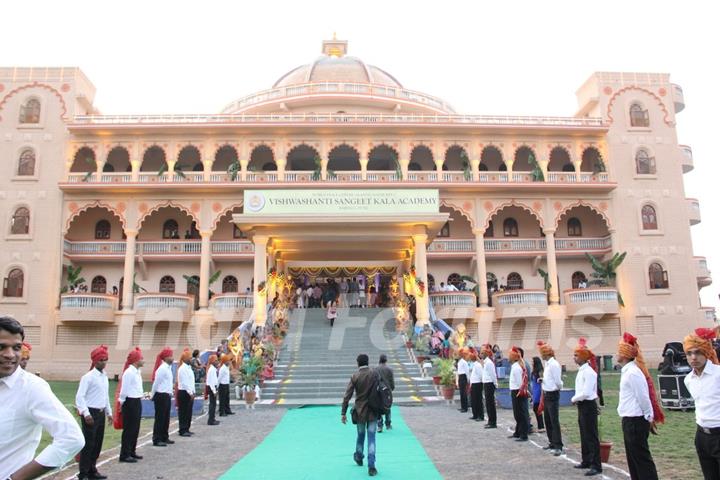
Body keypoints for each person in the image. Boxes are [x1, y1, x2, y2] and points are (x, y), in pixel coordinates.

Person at [0, 316, 84, 480]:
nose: (10, 355)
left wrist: (14, 479)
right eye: (1, 347)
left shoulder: (32, 388)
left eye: (16, 348)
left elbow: (71, 439)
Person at [617, 332, 663, 480]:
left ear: (624, 355)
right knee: (633, 458)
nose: (616, 354)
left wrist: (649, 417)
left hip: (636, 420)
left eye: (619, 352)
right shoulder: (628, 371)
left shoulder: (633, 373)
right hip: (629, 420)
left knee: (641, 459)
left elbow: (643, 397)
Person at [683, 328, 720, 479]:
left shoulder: (718, 374)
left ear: (706, 352)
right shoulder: (688, 379)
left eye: (697, 352)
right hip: (702, 436)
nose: (693, 357)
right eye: (689, 353)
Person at [76, 344, 113, 480]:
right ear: (95, 361)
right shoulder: (88, 377)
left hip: (101, 411)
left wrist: (109, 412)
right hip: (91, 412)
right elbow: (80, 396)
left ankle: (92, 469)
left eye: (105, 360)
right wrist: (86, 413)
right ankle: (83, 473)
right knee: (89, 443)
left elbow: (105, 395)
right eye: (101, 360)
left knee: (98, 442)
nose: (104, 362)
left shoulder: (104, 376)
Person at [341, 353, 379, 477]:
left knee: (361, 435)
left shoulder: (355, 376)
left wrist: (343, 412)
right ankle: (372, 465)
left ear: (358, 363)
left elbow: (347, 395)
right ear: (368, 362)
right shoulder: (374, 374)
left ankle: (358, 456)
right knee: (372, 437)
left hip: (360, 411)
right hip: (373, 410)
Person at [571, 338, 602, 476]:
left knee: (591, 435)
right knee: (584, 433)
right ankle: (586, 459)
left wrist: (574, 398)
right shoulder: (582, 371)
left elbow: (587, 392)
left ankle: (596, 464)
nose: (574, 358)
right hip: (582, 405)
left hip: (588, 405)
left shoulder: (589, 372)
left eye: (576, 355)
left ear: (583, 357)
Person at [115, 347, 144, 463]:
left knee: (135, 428)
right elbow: (124, 389)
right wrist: (121, 402)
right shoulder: (129, 372)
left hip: (137, 400)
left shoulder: (137, 372)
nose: (143, 360)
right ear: (136, 360)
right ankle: (125, 454)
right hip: (129, 401)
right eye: (141, 358)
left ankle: (132, 451)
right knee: (129, 429)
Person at [537, 340, 564, 455]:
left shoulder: (554, 364)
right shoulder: (547, 364)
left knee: (554, 420)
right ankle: (552, 441)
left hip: (552, 394)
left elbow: (558, 381)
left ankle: (558, 445)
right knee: (547, 419)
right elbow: (550, 378)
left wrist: (556, 387)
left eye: (542, 353)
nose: (541, 355)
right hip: (547, 393)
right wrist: (543, 381)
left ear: (547, 353)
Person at [150, 347, 174, 447]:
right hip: (161, 395)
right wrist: (152, 394)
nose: (172, 358)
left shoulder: (168, 368)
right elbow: (156, 382)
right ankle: (157, 438)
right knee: (160, 417)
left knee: (166, 417)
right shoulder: (162, 369)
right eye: (170, 356)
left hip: (167, 394)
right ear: (165, 357)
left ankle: (164, 436)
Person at [508, 346, 530, 442]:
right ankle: (518, 432)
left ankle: (523, 434)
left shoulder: (517, 367)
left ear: (515, 357)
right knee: (517, 413)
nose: (508, 357)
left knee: (520, 413)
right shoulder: (515, 366)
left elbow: (519, 382)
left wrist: (524, 391)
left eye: (510, 355)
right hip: (515, 390)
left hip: (518, 391)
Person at [177, 348, 196, 437]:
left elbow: (191, 381)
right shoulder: (182, 369)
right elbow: (184, 382)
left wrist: (193, 391)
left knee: (188, 412)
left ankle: (187, 428)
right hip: (184, 392)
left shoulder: (189, 368)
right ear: (185, 359)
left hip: (189, 392)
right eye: (189, 357)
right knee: (183, 412)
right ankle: (182, 429)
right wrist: (190, 392)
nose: (191, 359)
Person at [376, 354, 395, 432]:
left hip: (378, 390)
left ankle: (380, 426)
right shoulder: (389, 369)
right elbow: (391, 381)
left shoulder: (375, 369)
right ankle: (388, 424)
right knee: (388, 406)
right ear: (386, 360)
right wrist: (392, 388)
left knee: (378, 408)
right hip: (387, 390)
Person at [480, 344, 498, 429]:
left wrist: (495, 384)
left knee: (490, 403)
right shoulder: (485, 362)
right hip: (486, 383)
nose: (481, 355)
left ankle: (493, 422)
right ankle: (490, 421)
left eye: (482, 353)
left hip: (490, 384)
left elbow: (493, 374)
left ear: (486, 354)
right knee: (488, 403)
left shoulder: (489, 363)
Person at [469, 349, 485, 422]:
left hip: (478, 384)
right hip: (474, 384)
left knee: (478, 400)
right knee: (474, 400)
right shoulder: (474, 365)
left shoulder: (478, 365)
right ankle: (475, 414)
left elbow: (481, 375)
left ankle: (480, 415)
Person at [530, 356, 545, 433]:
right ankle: (540, 425)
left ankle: (541, 426)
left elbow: (542, 381)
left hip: (538, 390)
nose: (531, 363)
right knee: (535, 408)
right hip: (534, 390)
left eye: (532, 361)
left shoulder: (540, 371)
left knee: (537, 408)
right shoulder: (533, 371)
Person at [205, 354, 220, 426]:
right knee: (212, 404)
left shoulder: (213, 369)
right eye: (216, 360)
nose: (217, 362)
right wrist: (214, 391)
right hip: (212, 388)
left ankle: (213, 418)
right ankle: (211, 420)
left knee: (213, 404)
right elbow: (211, 382)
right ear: (212, 361)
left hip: (213, 387)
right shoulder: (211, 370)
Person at [456, 348, 470, 413]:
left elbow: (467, 371)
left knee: (464, 393)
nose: (457, 355)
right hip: (460, 377)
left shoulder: (464, 362)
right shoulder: (459, 362)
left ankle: (465, 407)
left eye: (458, 354)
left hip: (464, 377)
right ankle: (462, 406)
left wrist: (468, 379)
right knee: (461, 393)